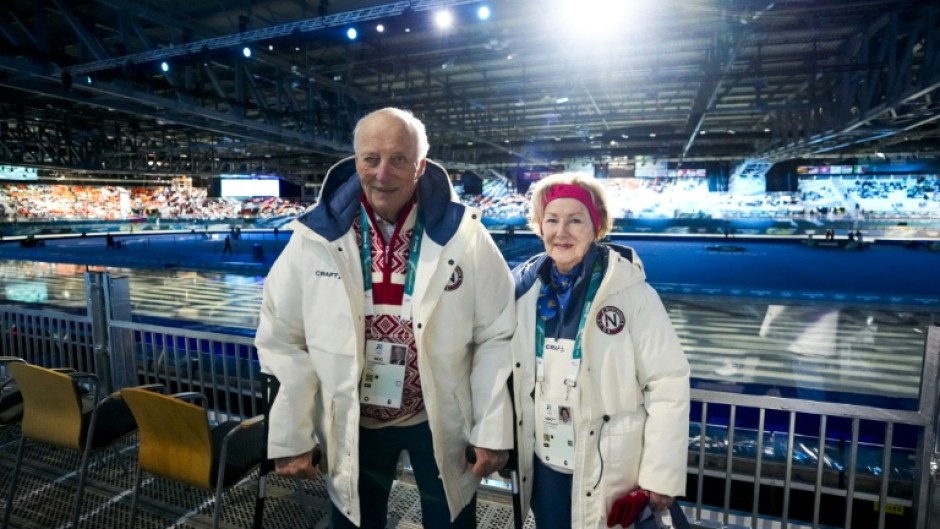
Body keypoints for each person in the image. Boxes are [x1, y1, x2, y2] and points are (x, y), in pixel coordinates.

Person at [255, 107, 514, 529]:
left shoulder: (465, 237)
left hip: (438, 419)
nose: (382, 173)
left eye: (398, 159)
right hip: (354, 420)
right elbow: (281, 338)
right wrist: (290, 434)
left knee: (451, 522)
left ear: (421, 165)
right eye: (370, 159)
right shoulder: (314, 238)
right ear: (355, 161)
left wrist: (492, 429)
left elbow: (497, 334)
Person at [510, 173, 690, 529]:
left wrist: (660, 475)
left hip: (610, 467)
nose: (561, 232)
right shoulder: (524, 293)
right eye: (552, 220)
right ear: (539, 226)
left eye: (575, 220)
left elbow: (667, 382)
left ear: (597, 227)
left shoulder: (633, 295)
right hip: (546, 462)